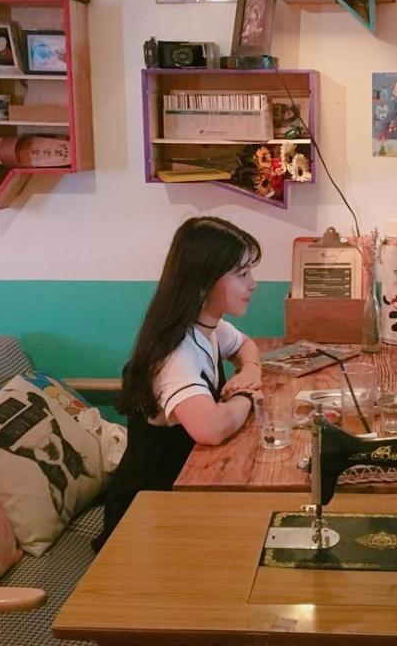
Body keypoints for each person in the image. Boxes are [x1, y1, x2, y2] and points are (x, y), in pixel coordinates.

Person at [94, 216, 263, 550]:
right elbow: (210, 429)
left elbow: (246, 345)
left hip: (182, 495)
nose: (253, 284)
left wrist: (250, 370)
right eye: (242, 274)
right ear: (203, 282)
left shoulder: (206, 325)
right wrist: (246, 394)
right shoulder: (176, 354)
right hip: (142, 522)